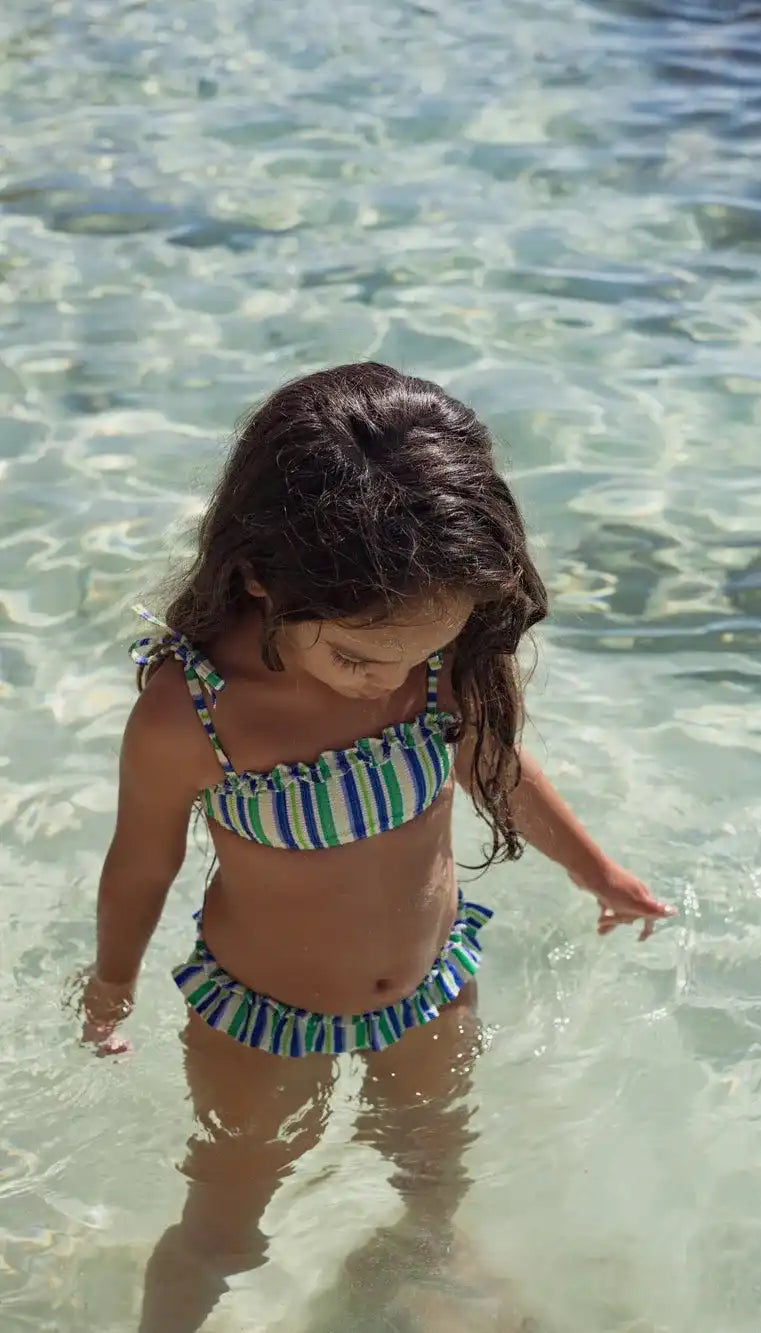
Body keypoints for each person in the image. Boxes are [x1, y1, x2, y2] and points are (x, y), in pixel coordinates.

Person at [79, 362, 674, 1332]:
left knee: (433, 1172)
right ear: (263, 572)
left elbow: (495, 766)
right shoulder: (194, 716)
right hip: (260, 1016)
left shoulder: (433, 660)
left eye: (419, 653)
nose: (386, 681)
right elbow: (142, 863)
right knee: (225, 1227)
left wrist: (595, 869)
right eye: (357, 656)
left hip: (432, 985)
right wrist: (111, 981)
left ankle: (420, 1280)